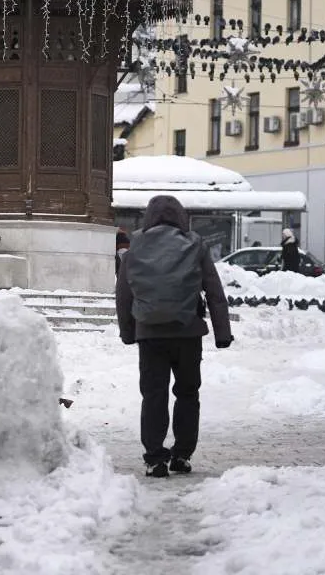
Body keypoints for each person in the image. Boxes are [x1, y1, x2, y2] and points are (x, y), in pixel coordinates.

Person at [115, 195, 233, 479]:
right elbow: (214, 291)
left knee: (154, 395)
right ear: (181, 216)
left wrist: (128, 332)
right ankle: (181, 455)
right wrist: (222, 333)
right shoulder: (195, 244)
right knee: (187, 393)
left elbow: (123, 294)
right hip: (187, 332)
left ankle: (155, 458)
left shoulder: (135, 247)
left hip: (150, 334)